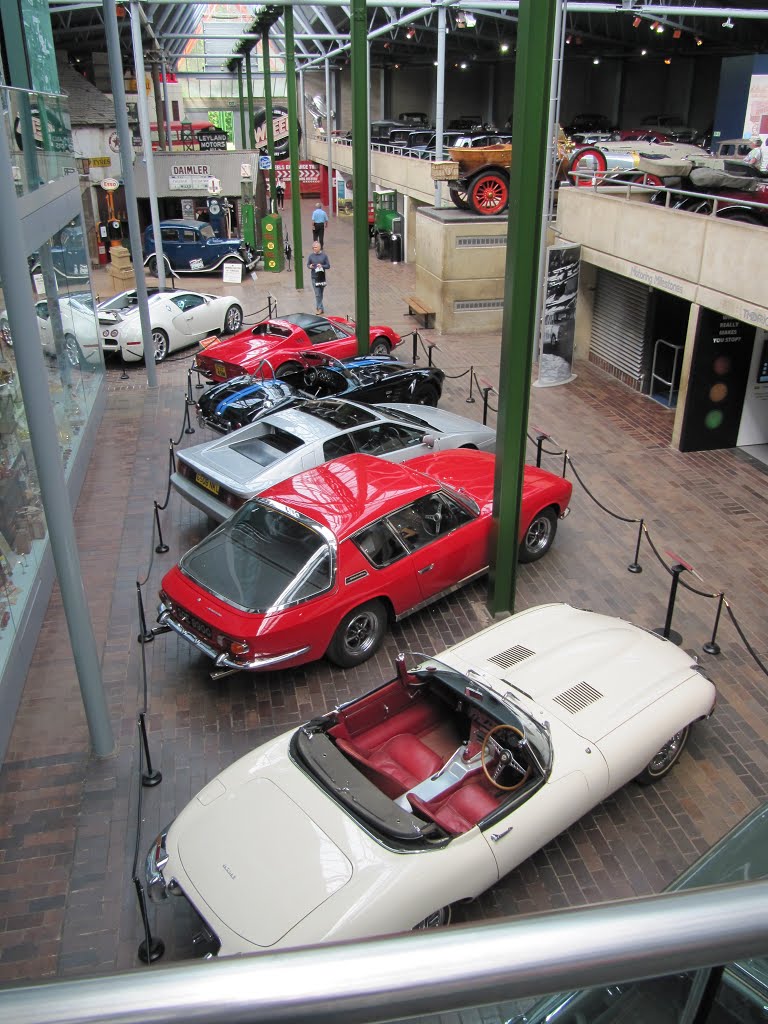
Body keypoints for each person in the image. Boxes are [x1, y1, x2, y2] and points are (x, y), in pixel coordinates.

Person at [306, 241, 330, 315]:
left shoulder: (324, 256)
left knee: (320, 293)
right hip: (314, 277)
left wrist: (322, 266)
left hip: (321, 277)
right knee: (317, 294)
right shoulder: (311, 256)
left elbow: (328, 266)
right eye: (313, 247)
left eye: (315, 247)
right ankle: (319, 308)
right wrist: (310, 266)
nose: (314, 249)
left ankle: (320, 308)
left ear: (319, 247)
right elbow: (308, 264)